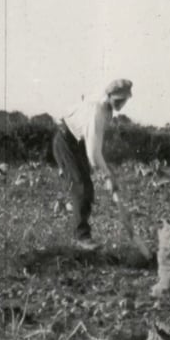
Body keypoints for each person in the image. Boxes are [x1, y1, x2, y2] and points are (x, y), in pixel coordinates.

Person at [53, 79, 133, 246]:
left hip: (77, 141)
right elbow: (93, 155)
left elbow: (94, 147)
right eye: (118, 99)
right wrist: (107, 175)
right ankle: (82, 237)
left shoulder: (105, 108)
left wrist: (107, 173)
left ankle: (81, 232)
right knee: (82, 186)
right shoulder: (97, 111)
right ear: (109, 96)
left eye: (124, 100)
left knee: (85, 186)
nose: (121, 103)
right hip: (66, 141)